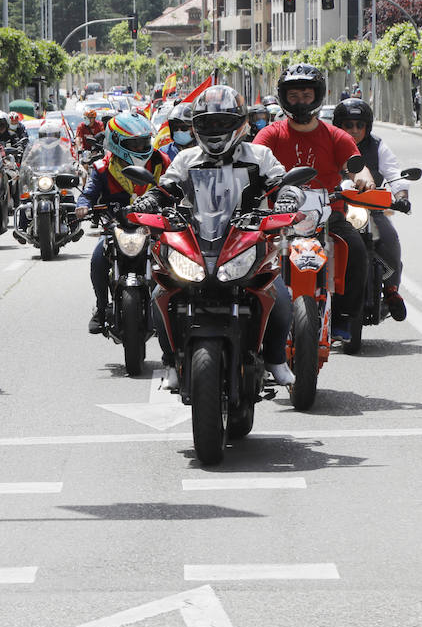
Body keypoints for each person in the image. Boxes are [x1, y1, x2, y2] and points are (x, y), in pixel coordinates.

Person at [133, 85, 297, 389]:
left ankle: (275, 359)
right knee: (160, 292)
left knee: (279, 294)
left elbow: (282, 183)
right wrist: (149, 202)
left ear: (240, 123)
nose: (215, 129)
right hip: (197, 240)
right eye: (208, 123)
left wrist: (288, 198)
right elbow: (165, 189)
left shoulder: (260, 155)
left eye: (222, 123)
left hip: (247, 240)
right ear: (197, 126)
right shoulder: (186, 159)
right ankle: (170, 360)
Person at [253, 62, 373, 344]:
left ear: (318, 95)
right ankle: (252, 318)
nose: (300, 101)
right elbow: (252, 163)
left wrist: (364, 179)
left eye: (306, 95)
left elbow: (357, 167)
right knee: (247, 257)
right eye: (294, 95)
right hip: (278, 217)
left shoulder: (336, 136)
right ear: (284, 97)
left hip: (328, 214)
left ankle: (344, 317)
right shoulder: (270, 134)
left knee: (357, 250)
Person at [74, 112, 170, 334]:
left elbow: (176, 186)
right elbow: (88, 194)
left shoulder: (161, 162)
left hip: (154, 227)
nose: (141, 148)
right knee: (98, 259)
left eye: (144, 142)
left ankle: (175, 310)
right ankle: (100, 307)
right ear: (116, 143)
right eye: (134, 144)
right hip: (116, 228)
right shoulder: (101, 168)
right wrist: (82, 206)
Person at [332, 98, 412, 321]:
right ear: (339, 125)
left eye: (360, 125)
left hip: (371, 207)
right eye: (348, 125)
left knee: (390, 238)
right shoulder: (330, 143)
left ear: (367, 126)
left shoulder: (377, 146)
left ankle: (391, 291)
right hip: (335, 207)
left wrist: (402, 197)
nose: (354, 130)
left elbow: (394, 173)